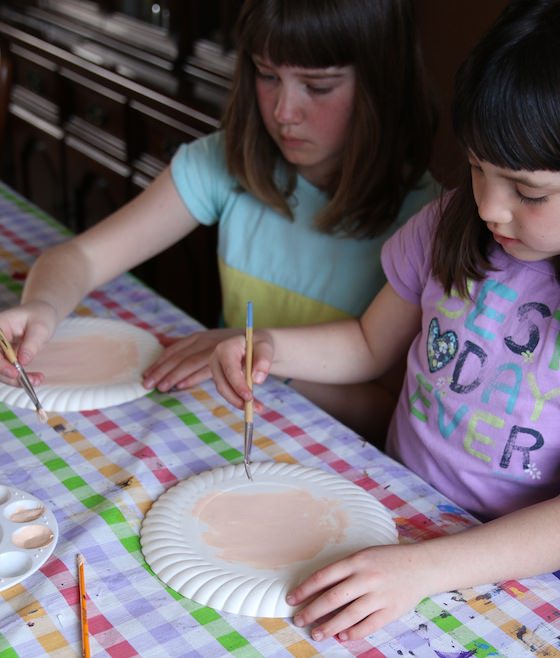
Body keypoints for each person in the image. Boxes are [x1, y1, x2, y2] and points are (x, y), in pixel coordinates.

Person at [210, 0, 560, 642]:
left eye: (528, 192)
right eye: (477, 169)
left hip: (510, 568)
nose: (489, 207)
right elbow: (370, 343)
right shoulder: (449, 223)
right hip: (393, 504)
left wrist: (425, 568)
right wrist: (268, 348)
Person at [0, 0, 438, 441]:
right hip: (220, 424)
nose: (284, 112)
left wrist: (260, 361)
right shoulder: (222, 163)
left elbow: (388, 415)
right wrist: (42, 307)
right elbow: (79, 258)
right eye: (267, 76)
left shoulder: (427, 224)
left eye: (318, 86)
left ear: (382, 83)